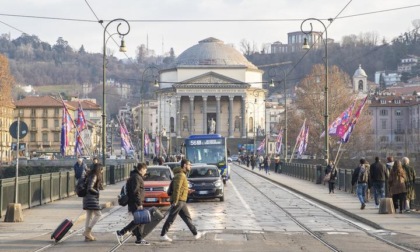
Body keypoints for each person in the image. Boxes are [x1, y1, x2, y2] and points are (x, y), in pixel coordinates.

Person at [160, 159, 202, 242]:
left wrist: (188, 191)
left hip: (181, 200)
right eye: (189, 164)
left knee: (187, 217)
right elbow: (177, 189)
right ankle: (163, 234)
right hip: (178, 200)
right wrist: (175, 201)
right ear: (185, 165)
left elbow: (181, 188)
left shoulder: (182, 175)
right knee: (171, 218)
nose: (190, 166)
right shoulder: (180, 175)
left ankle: (196, 233)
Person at [115, 163, 150, 245]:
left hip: (134, 201)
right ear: (141, 169)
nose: (146, 171)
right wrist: (139, 203)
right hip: (135, 202)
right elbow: (136, 191)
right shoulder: (136, 177)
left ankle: (139, 239)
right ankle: (121, 232)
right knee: (140, 220)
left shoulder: (135, 176)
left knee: (139, 220)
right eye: (145, 170)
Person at [82, 163, 103, 241]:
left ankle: (87, 236)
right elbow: (90, 188)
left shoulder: (90, 175)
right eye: (101, 169)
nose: (102, 170)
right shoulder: (94, 176)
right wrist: (97, 192)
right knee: (98, 214)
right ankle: (87, 232)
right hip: (91, 199)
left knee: (89, 216)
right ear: (98, 169)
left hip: (87, 198)